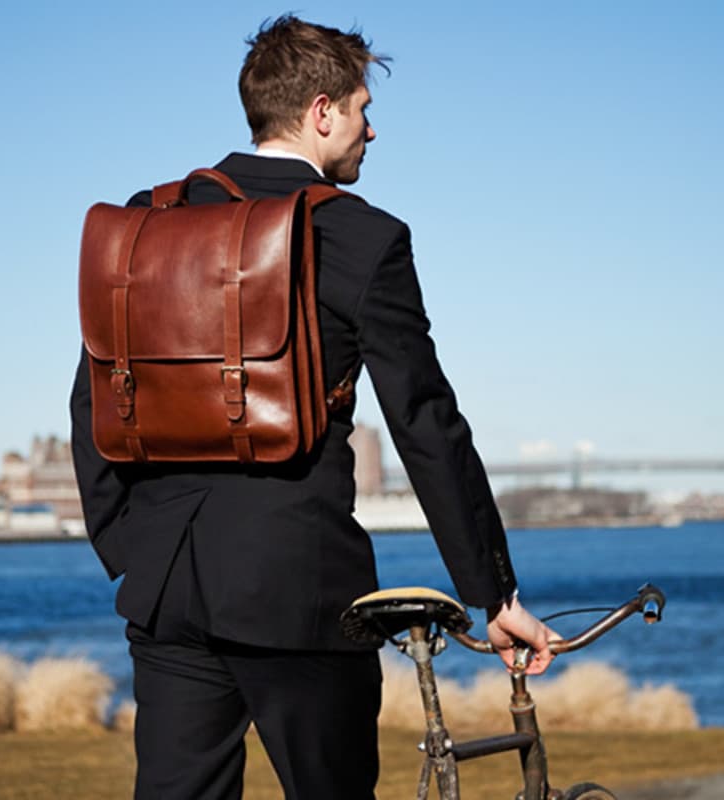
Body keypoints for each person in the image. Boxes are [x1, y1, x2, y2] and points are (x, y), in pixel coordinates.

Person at [70, 15, 556, 800]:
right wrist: (492, 594)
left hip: (168, 590)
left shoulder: (152, 221)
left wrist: (129, 546)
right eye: (364, 109)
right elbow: (425, 422)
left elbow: (95, 389)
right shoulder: (364, 238)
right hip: (300, 589)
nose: (373, 130)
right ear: (322, 111)